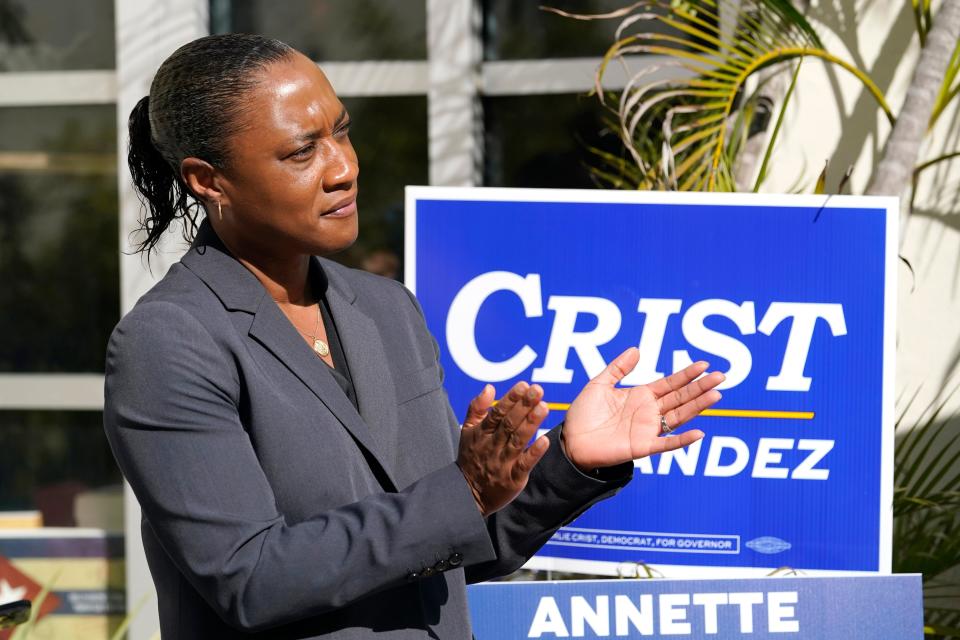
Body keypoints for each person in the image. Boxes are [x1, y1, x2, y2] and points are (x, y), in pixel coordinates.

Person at [103, 34, 723, 639]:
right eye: (301, 153)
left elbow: (460, 548)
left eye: (342, 132)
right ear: (209, 180)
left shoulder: (385, 308)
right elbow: (251, 579)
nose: (343, 168)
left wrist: (568, 459)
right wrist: (465, 491)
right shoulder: (170, 342)